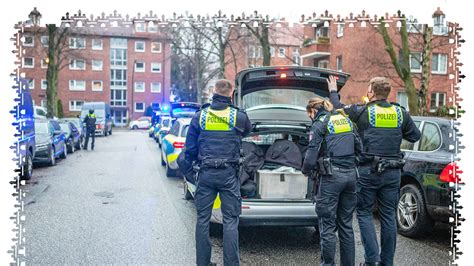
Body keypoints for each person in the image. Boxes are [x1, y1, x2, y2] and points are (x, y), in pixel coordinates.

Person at [327, 76, 421, 266]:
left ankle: (372, 260)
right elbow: (415, 136)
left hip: (368, 171)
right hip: (393, 172)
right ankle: (387, 262)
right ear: (387, 93)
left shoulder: (363, 111)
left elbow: (338, 109)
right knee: (388, 215)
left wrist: (332, 90)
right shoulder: (400, 113)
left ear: (371, 92)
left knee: (364, 213)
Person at [182, 79, 252, 266]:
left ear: (214, 91)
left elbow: (189, 150)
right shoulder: (239, 116)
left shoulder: (200, 116)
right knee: (230, 220)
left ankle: (203, 263)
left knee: (203, 220)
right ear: (231, 94)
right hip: (229, 175)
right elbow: (247, 132)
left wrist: (191, 175)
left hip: (205, 174)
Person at [302, 97, 362, 266]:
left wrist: (306, 171)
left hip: (331, 178)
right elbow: (360, 149)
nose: (310, 118)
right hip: (351, 177)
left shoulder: (320, 123)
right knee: (346, 225)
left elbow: (311, 153)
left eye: (309, 115)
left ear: (313, 111)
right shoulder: (345, 120)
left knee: (327, 226)